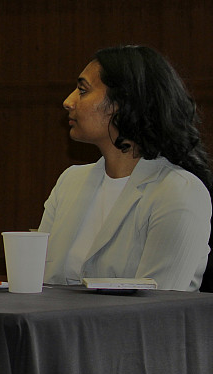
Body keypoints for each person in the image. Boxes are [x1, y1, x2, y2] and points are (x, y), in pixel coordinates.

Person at [38, 45, 212, 291]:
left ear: (123, 102)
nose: (68, 102)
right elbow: (39, 283)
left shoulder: (178, 191)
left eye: (83, 90)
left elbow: (156, 307)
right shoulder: (70, 181)